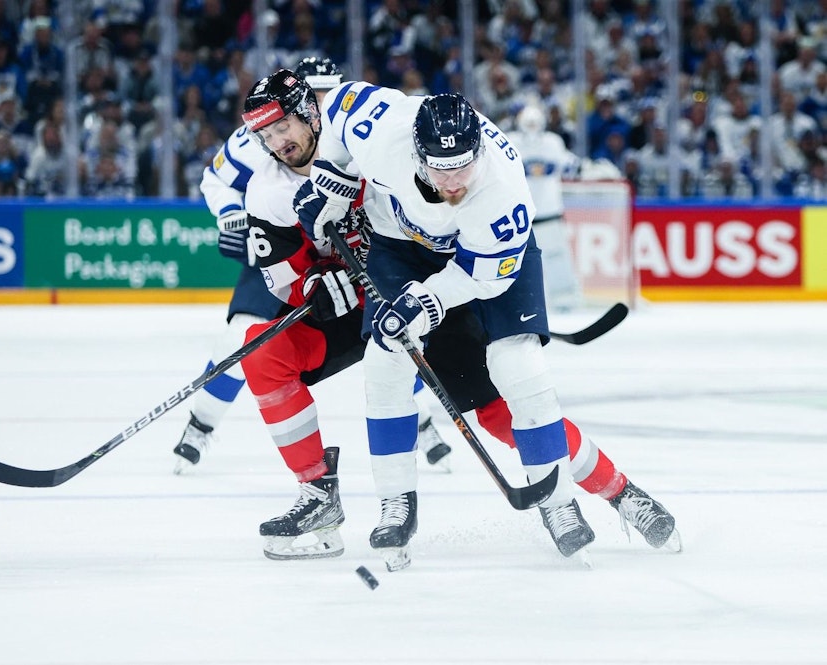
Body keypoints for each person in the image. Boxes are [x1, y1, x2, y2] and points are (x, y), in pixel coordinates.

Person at [293, 85, 679, 568]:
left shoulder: (503, 192)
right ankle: (396, 503)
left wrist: (429, 301)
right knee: (385, 360)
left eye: (463, 167)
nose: (453, 181)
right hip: (401, 249)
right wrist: (330, 180)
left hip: (487, 264)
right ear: (416, 152)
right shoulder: (384, 129)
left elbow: (479, 277)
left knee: (518, 368)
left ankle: (563, 502)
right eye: (440, 167)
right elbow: (340, 104)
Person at [171, 57, 452, 475]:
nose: (324, 102)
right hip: (280, 254)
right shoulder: (263, 138)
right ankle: (200, 424)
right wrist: (234, 218)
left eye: (329, 93)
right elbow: (216, 180)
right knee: (242, 339)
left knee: (391, 330)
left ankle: (423, 421)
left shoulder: (352, 136)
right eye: (316, 92)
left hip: (349, 261)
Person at [507, 104, 583, 312]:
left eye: (535, 123)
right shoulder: (510, 141)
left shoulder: (552, 142)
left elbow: (572, 166)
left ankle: (564, 300)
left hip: (549, 213)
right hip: (521, 218)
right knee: (515, 262)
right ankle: (517, 303)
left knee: (557, 257)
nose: (531, 127)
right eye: (528, 123)